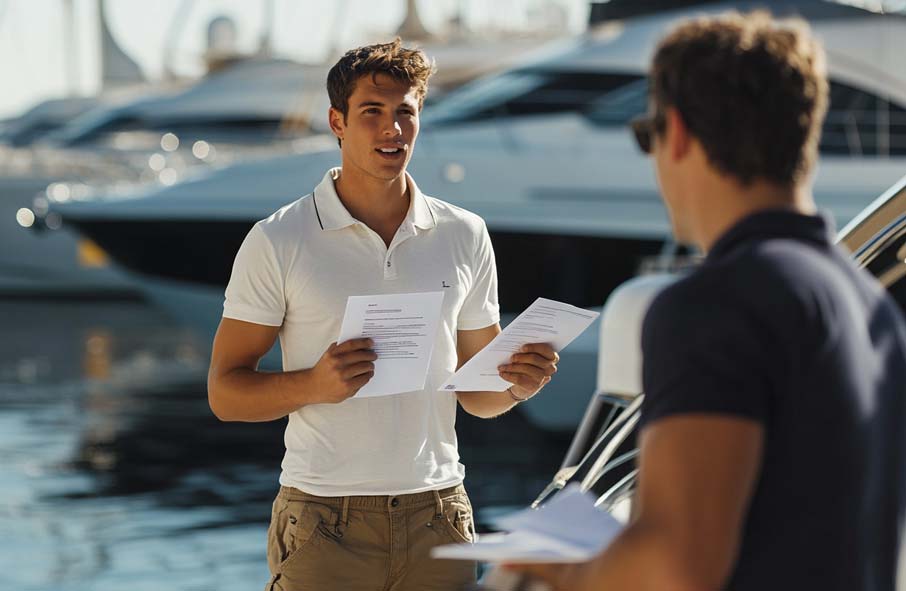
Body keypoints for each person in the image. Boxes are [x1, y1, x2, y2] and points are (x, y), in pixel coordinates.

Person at [510, 12, 906, 591]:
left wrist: (548, 565)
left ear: (678, 133)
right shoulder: (874, 307)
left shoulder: (713, 305)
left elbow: (678, 567)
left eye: (647, 135)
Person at [206, 39, 560, 591]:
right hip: (325, 520)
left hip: (439, 515)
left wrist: (519, 384)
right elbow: (225, 394)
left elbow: (477, 396)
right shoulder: (278, 239)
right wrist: (314, 384)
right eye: (372, 112)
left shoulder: (464, 234)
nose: (392, 129)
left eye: (405, 113)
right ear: (337, 122)